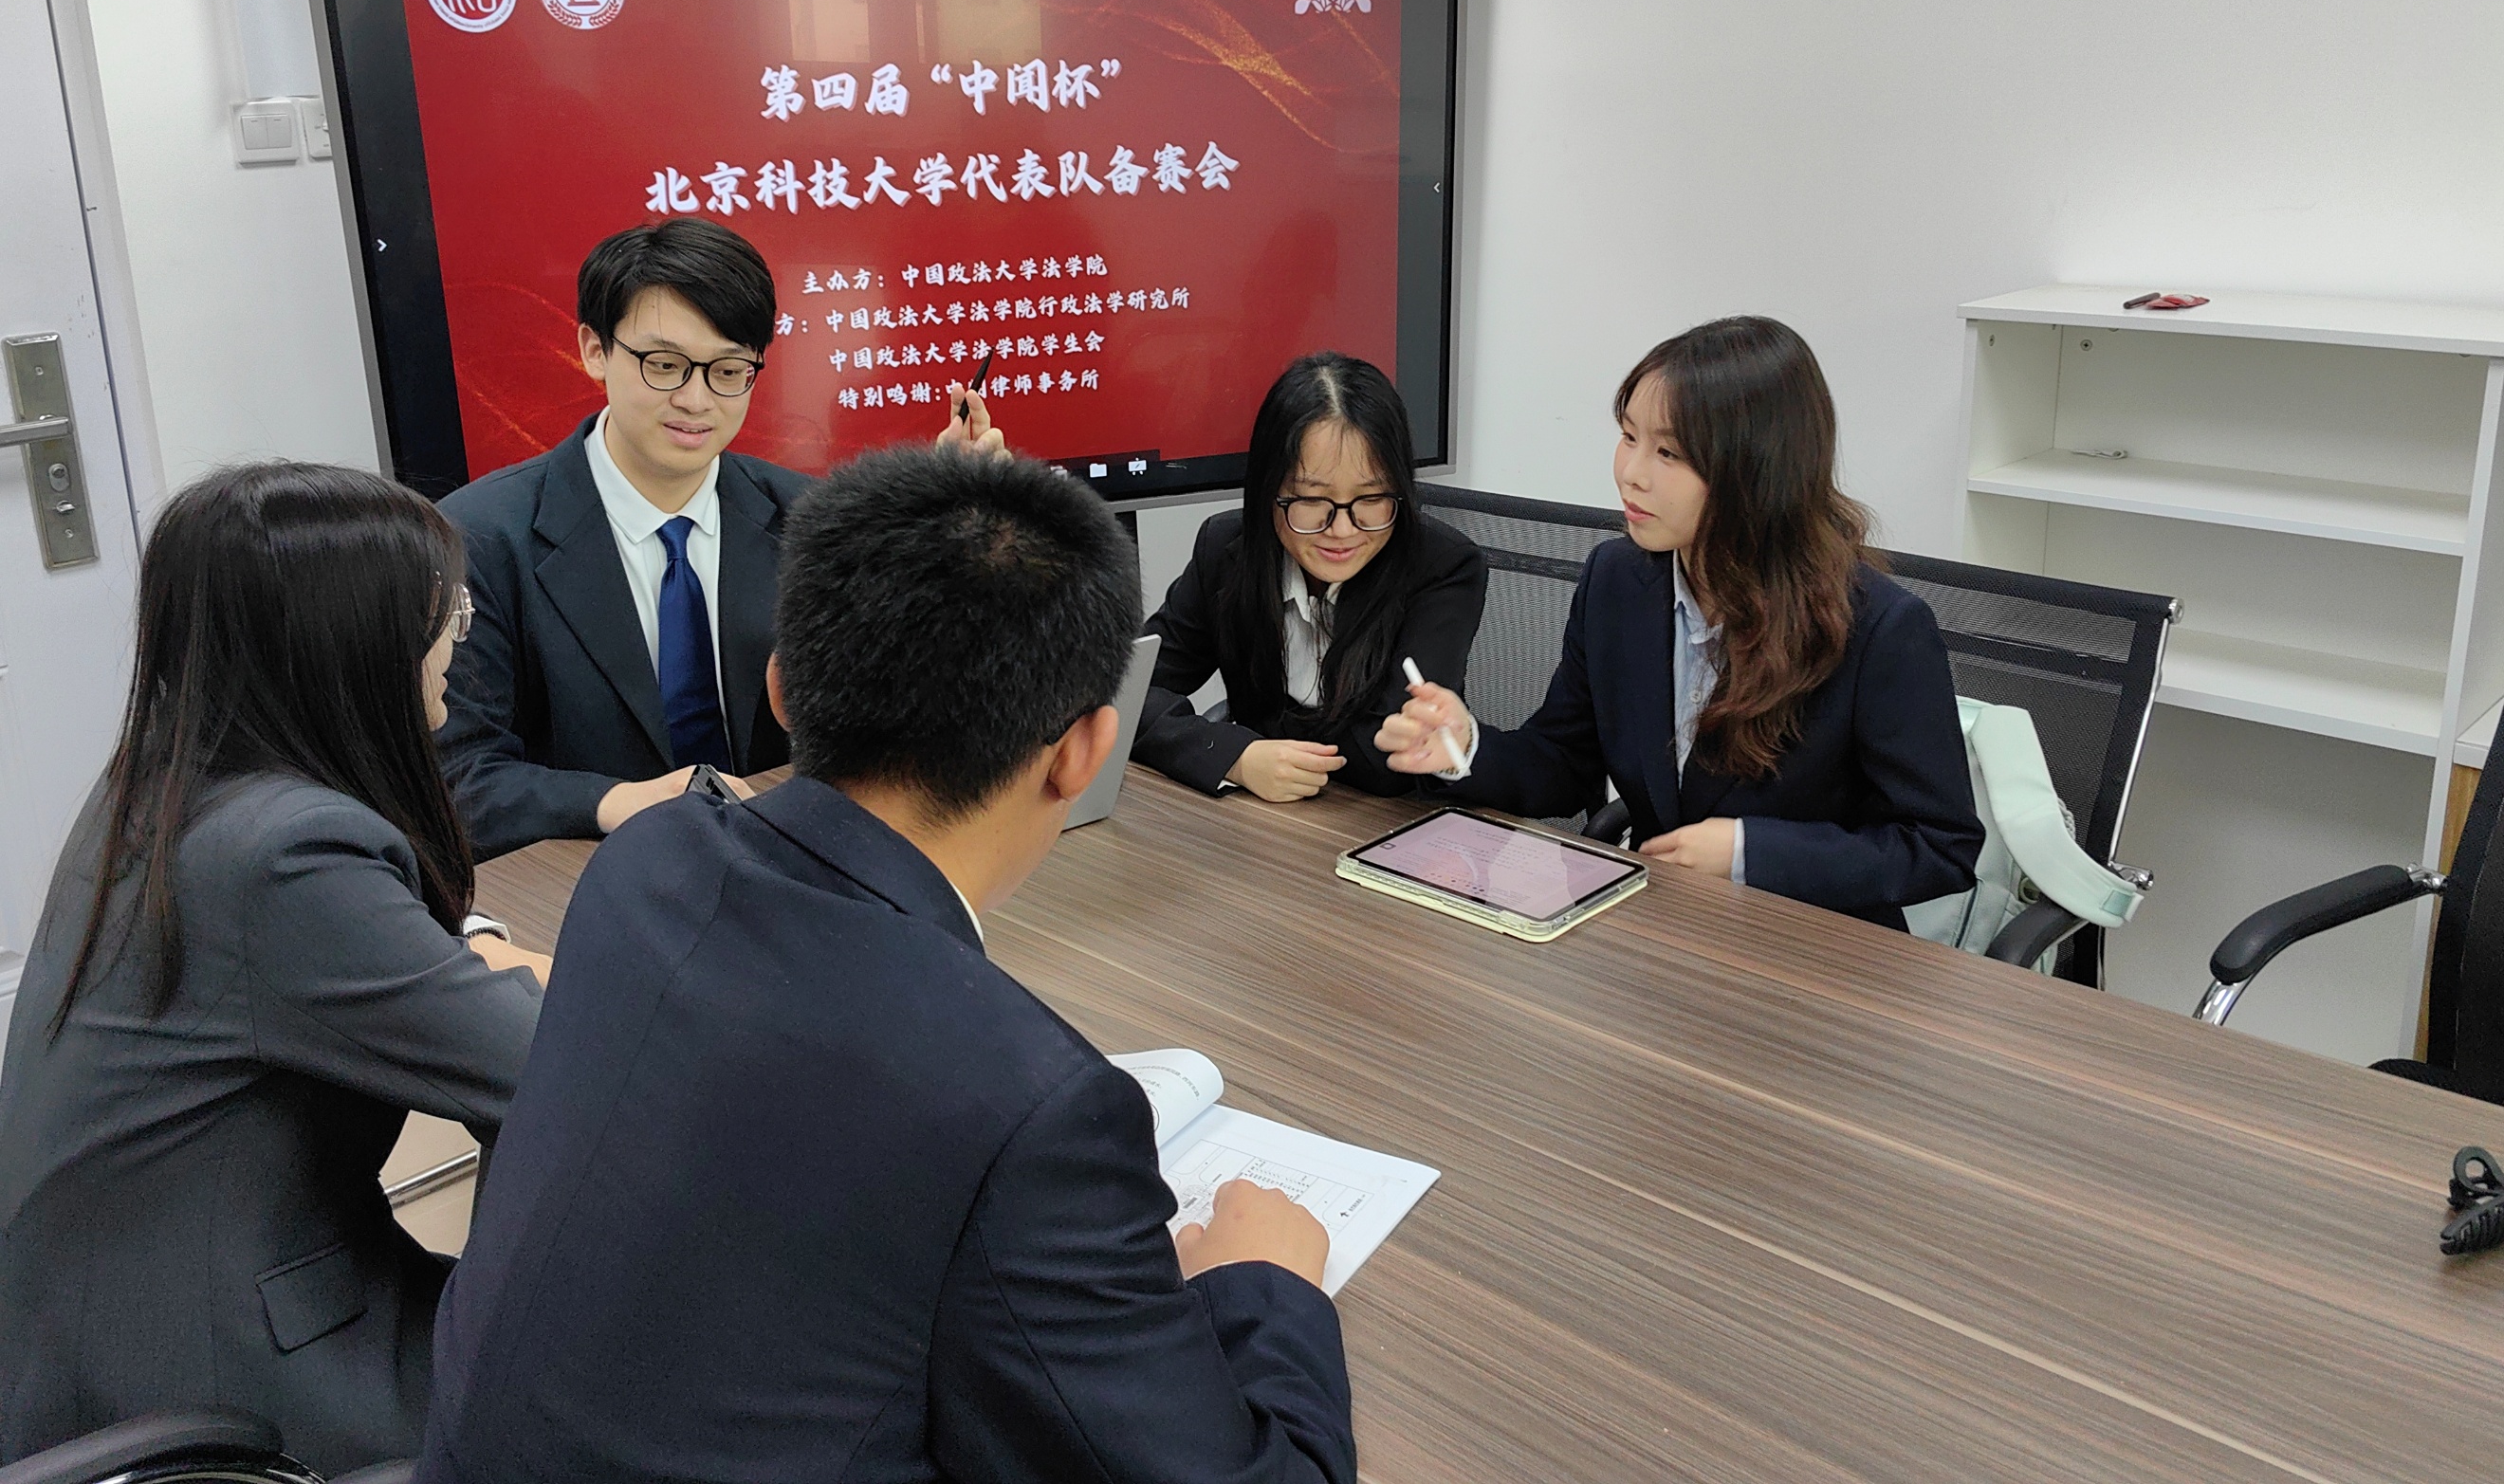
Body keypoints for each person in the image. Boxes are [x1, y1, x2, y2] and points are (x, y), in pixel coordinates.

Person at [418, 447, 1356, 1484]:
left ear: (781, 688)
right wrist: (1266, 1282)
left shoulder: (647, 864)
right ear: (1086, 750)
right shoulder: (1031, 1110)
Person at [0, 463, 549, 1475]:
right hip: (219, 1382)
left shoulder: (166, 782)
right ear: (354, 637)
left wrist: (470, 950)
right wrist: (528, 974)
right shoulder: (283, 859)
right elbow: (543, 1064)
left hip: (120, 1325)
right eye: (447, 613)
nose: (457, 640)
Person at [1378, 317, 1982, 927]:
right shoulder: (1617, 581)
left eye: (1668, 453)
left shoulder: (1880, 628)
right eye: (1628, 436)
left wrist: (1750, 852)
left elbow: (1940, 847)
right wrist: (1466, 747)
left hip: (1810, 949)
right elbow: (1565, 763)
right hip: (1663, 933)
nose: (1631, 473)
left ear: (1757, 471)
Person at [435, 216, 1002, 855]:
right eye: (665, 365)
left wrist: (947, 551)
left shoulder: (811, 518)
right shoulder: (476, 538)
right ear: (594, 350)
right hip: (587, 874)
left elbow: (900, 721)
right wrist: (623, 801)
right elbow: (456, 777)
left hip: (785, 862)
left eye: (729, 371)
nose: (697, 400)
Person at [1136, 353, 1486, 801]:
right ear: (1268, 491)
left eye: (1371, 498)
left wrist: (1255, 743)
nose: (1342, 530)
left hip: (1393, 819)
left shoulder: (1443, 567)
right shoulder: (1227, 549)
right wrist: (1236, 756)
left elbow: (1385, 759)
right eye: (1311, 500)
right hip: (1262, 818)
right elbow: (1125, 692)